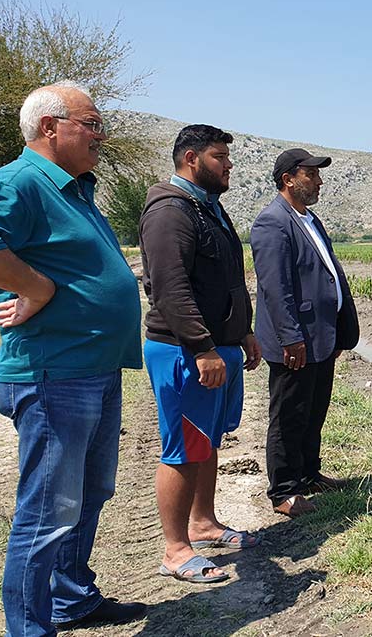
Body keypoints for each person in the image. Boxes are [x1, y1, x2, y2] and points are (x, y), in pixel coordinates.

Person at [0, 82, 146, 633]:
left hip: (92, 368)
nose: (101, 135)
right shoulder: (18, 182)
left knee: (88, 494)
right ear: (50, 127)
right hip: (53, 373)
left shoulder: (73, 189)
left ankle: (72, 598)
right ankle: (29, 629)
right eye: (92, 123)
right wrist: (38, 288)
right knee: (47, 513)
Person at [138, 124, 262, 583]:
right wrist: (202, 347)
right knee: (183, 447)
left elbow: (227, 281)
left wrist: (242, 332)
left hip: (216, 347)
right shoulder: (170, 212)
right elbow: (171, 289)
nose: (228, 165)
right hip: (184, 352)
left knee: (206, 441)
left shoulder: (208, 208)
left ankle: (203, 523)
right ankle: (175, 550)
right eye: (219, 157)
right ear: (191, 159)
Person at [251, 148, 359, 517]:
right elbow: (275, 288)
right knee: (289, 415)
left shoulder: (309, 219)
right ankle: (284, 491)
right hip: (296, 341)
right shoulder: (272, 223)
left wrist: (338, 329)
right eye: (311, 174)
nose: (319, 181)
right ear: (288, 179)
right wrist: (290, 337)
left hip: (320, 336)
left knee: (314, 410)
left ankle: (309, 474)